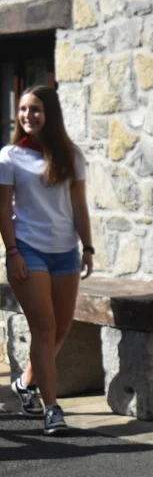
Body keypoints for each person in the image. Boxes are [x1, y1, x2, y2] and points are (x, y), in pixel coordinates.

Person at [0, 85, 94, 436]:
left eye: (35, 109)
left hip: (65, 252)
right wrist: (12, 252)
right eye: (23, 109)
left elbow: (79, 205)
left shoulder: (71, 155)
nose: (28, 115)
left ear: (50, 113)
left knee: (61, 329)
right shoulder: (10, 156)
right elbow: (2, 210)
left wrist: (88, 247)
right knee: (44, 328)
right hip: (28, 251)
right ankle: (52, 408)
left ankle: (25, 382)